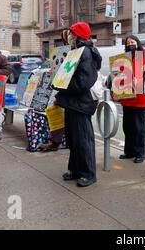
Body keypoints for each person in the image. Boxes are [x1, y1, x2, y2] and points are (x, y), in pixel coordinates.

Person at [53, 22, 102, 187]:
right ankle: (75, 170)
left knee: (83, 140)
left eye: (72, 34)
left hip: (80, 103)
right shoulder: (76, 51)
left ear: (78, 35)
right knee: (74, 140)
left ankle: (88, 173)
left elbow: (82, 82)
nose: (69, 37)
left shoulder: (85, 52)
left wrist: (61, 87)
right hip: (73, 102)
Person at [117, 35, 145, 163]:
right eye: (128, 42)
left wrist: (140, 81)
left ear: (138, 43)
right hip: (127, 98)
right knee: (128, 127)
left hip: (140, 98)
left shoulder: (144, 57)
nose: (130, 44)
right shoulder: (124, 58)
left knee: (139, 128)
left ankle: (140, 152)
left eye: (132, 41)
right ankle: (129, 151)